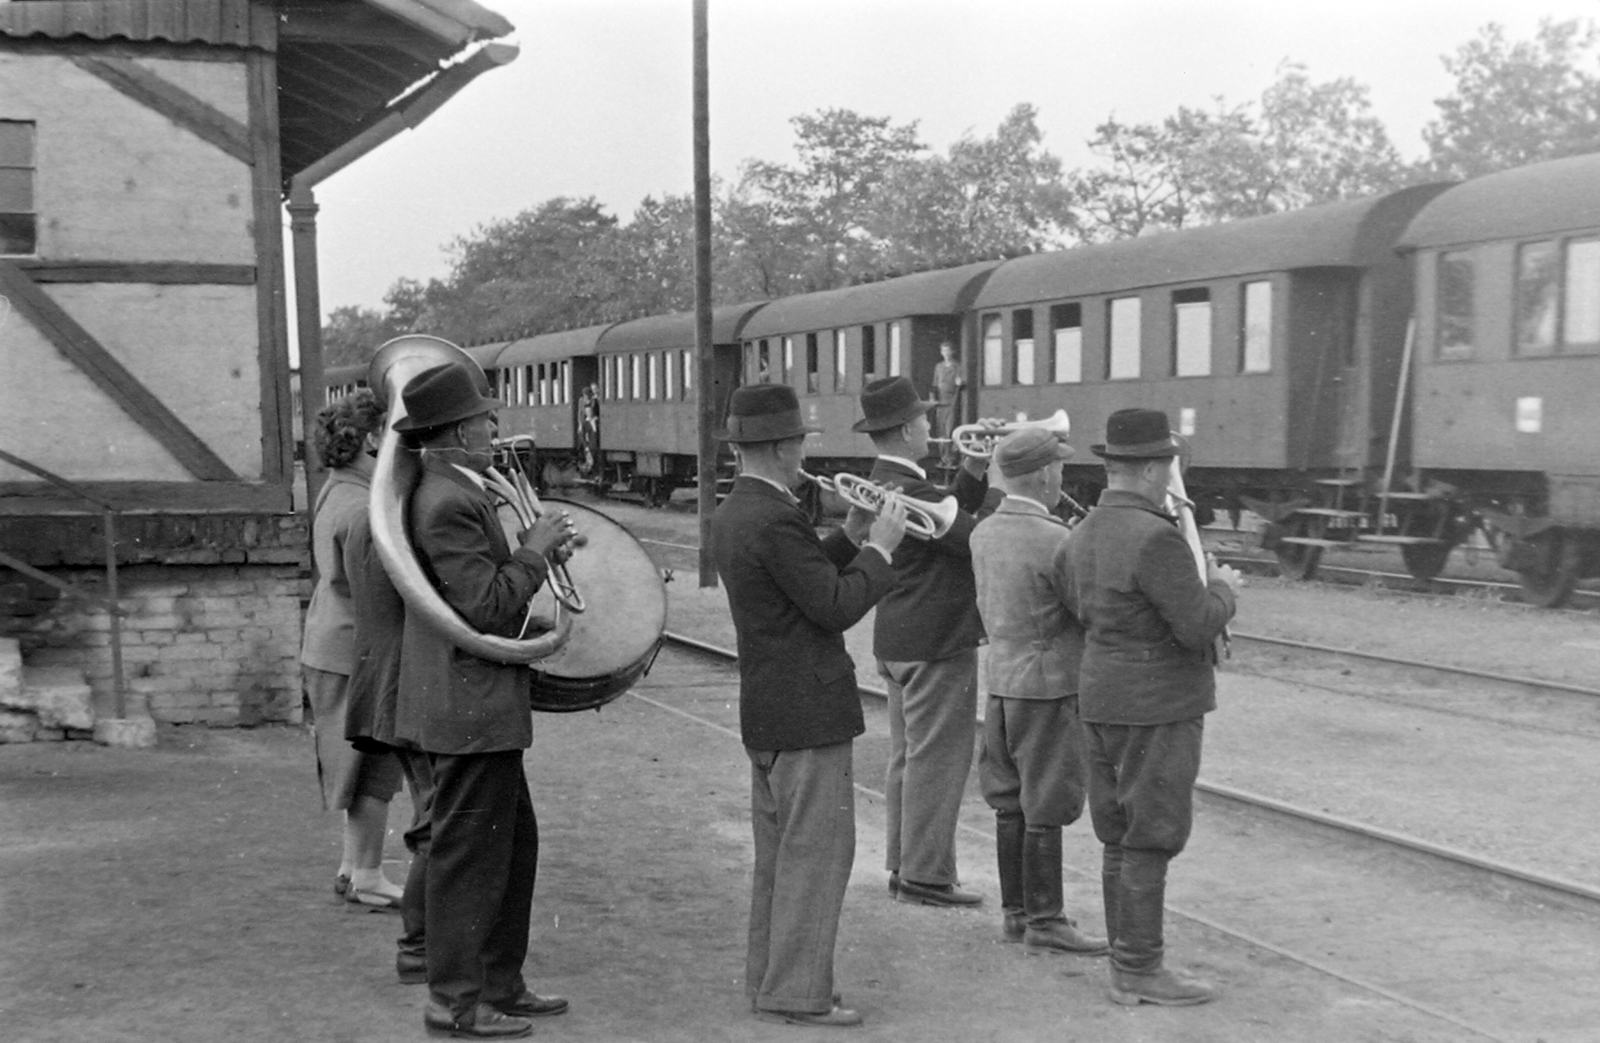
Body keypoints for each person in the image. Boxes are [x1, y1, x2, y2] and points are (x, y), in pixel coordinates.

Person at [710, 383, 907, 1029]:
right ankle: (800, 992)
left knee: (780, 858)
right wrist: (880, 547)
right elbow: (832, 605)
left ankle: (771, 981)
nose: (803, 454)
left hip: (768, 709)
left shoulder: (740, 511)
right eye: (798, 442)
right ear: (779, 444)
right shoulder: (775, 514)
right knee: (817, 858)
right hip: (810, 714)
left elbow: (797, 579)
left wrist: (848, 538)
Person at [390, 362, 578, 1040]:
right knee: (471, 858)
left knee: (512, 847)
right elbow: (487, 606)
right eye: (483, 420)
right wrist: (533, 552)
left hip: (479, 709)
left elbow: (490, 584)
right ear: (455, 432)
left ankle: (500, 983)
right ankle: (455, 1002)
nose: (494, 429)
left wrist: (536, 552)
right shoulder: (447, 502)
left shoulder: (453, 490)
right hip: (468, 710)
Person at [1068, 408, 1242, 1007]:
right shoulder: (1157, 537)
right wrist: (1223, 589)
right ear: (1147, 467)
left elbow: (1075, 606)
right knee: (1151, 835)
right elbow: (1196, 626)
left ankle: (1125, 960)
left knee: (1118, 833)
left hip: (1099, 696)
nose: (1172, 474)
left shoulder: (1084, 529)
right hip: (1156, 704)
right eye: (1168, 463)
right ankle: (1140, 969)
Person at [969, 427, 1108, 957]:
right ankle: (1047, 919)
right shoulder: (1056, 539)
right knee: (1046, 803)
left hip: (1002, 682)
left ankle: (1016, 914)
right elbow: (1089, 612)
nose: (1063, 479)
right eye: (1062, 471)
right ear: (1047, 475)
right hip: (1049, 689)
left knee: (1010, 802)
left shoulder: (983, 533)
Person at [856, 375, 989, 907]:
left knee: (908, 758)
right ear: (909, 429)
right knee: (938, 761)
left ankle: (903, 864)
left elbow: (948, 515)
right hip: (936, 643)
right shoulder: (911, 490)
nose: (932, 426)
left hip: (898, 638)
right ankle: (927, 876)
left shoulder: (887, 481)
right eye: (925, 420)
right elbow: (968, 537)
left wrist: (973, 470)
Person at [299, 390, 406, 910]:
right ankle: (366, 874)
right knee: (372, 767)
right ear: (369, 438)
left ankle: (352, 866)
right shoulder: (364, 507)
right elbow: (376, 590)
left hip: (330, 642)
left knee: (354, 763)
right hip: (353, 650)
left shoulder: (336, 489)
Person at [340, 401, 433, 986]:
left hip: (387, 681)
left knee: (434, 815)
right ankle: (421, 951)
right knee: (437, 822)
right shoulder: (390, 527)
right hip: (407, 687)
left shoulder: (374, 517)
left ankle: (424, 948)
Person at [932, 343, 964, 467]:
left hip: (952, 401)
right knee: (941, 430)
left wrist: (960, 383)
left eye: (948, 350)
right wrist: (933, 399)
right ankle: (943, 458)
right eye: (943, 351)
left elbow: (960, 381)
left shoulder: (957, 366)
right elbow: (935, 384)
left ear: (952, 352)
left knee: (949, 429)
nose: (946, 353)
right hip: (940, 402)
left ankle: (950, 457)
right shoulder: (938, 367)